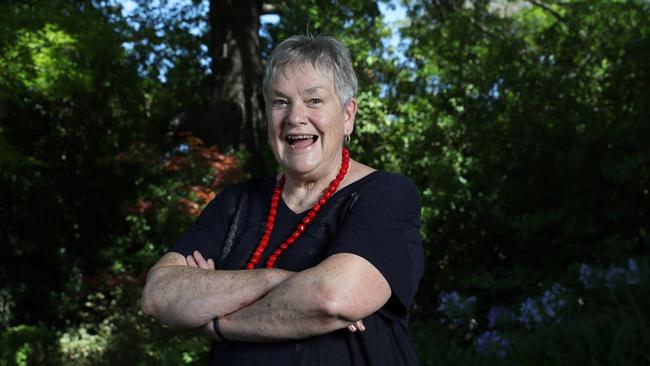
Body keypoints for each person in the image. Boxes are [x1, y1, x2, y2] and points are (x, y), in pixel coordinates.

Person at [141, 35, 424, 365]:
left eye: (314, 100)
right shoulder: (234, 204)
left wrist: (218, 321)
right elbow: (158, 295)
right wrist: (276, 279)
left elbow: (331, 297)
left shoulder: (386, 194)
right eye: (280, 102)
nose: (295, 117)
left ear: (348, 115)